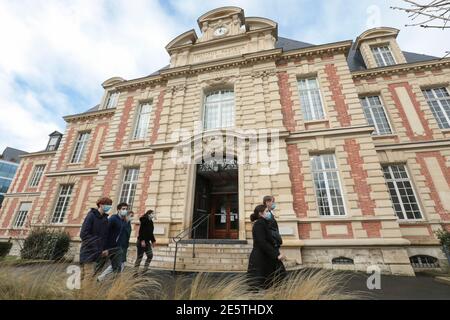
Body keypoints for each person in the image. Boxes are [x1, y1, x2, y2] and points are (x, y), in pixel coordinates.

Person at [247, 204, 286, 290]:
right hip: (261, 258)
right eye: (267, 211)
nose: (269, 213)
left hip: (266, 256)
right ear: (261, 214)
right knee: (260, 285)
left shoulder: (264, 223)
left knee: (276, 280)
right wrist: (276, 255)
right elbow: (262, 242)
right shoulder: (259, 224)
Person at [79, 197, 112, 280]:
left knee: (84, 276)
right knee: (88, 276)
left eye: (110, 205)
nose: (109, 207)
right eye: (107, 205)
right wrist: (97, 246)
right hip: (88, 251)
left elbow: (105, 236)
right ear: (100, 205)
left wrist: (105, 249)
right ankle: (86, 293)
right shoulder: (91, 216)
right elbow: (84, 234)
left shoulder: (105, 219)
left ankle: (77, 292)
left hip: (98, 253)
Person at [97, 203, 132, 281]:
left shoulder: (123, 221)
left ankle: (115, 286)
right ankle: (94, 280)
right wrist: (104, 248)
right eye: (123, 209)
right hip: (108, 247)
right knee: (99, 266)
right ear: (118, 210)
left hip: (117, 248)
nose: (125, 211)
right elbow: (105, 232)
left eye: (126, 209)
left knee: (118, 268)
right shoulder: (113, 218)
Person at [263, 195, 286, 279]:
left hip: (274, 242)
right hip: (272, 243)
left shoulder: (271, 213)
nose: (274, 203)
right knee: (276, 266)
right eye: (273, 201)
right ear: (267, 202)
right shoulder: (266, 214)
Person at [134, 209, 156, 274]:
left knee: (150, 255)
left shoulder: (151, 222)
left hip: (147, 242)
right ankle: (135, 272)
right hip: (141, 241)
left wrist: (153, 241)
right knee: (139, 257)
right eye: (153, 213)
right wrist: (142, 240)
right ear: (149, 214)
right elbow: (141, 231)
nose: (154, 215)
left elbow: (150, 233)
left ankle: (144, 271)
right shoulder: (144, 220)